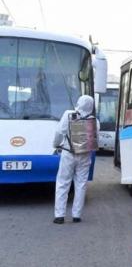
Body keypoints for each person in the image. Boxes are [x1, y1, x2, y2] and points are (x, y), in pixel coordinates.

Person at [53, 95, 99, 224]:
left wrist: (55, 144)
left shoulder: (68, 115)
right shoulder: (95, 121)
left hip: (68, 153)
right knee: (81, 184)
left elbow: (59, 132)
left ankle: (59, 215)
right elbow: (96, 141)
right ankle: (76, 215)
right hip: (85, 155)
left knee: (63, 183)